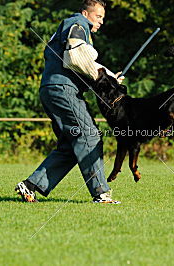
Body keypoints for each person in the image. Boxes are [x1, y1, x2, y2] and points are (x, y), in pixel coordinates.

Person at [15, 0, 123, 204]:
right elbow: (76, 55)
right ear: (85, 13)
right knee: (90, 137)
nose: (101, 22)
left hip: (51, 89)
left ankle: (30, 185)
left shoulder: (73, 27)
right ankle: (100, 194)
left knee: (71, 145)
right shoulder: (78, 23)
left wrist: (109, 76)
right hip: (63, 90)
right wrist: (105, 78)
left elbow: (83, 61)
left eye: (103, 18)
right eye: (98, 16)